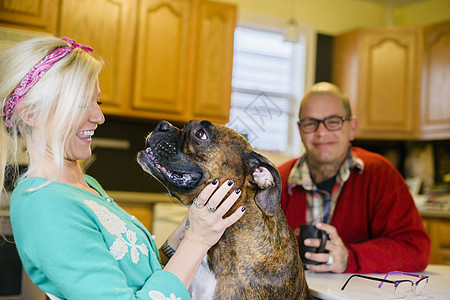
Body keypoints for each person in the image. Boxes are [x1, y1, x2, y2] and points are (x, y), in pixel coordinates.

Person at [0, 36, 245, 299]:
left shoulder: (82, 184)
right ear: (30, 114)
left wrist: (197, 222)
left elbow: (140, 276)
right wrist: (197, 240)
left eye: (98, 102)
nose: (99, 117)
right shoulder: (43, 203)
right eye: (82, 104)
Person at [278, 82, 430, 274]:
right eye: (310, 123)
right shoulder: (276, 181)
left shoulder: (380, 174)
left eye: (333, 121)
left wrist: (349, 257)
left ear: (352, 128)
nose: (322, 132)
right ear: (300, 131)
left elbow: (415, 250)